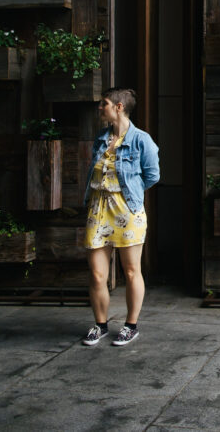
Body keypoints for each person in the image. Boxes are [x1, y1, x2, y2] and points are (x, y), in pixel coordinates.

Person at [81, 87, 160, 347]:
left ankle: (130, 325)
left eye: (103, 103)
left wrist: (130, 195)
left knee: (130, 269)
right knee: (96, 274)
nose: (99, 108)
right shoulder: (101, 138)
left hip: (127, 210)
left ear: (118, 107)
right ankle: (101, 324)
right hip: (98, 209)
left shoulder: (141, 140)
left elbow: (152, 175)